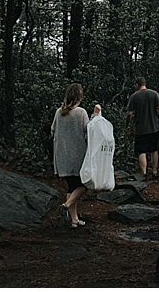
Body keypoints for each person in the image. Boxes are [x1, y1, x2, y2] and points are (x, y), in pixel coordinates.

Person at [51, 83, 101, 228]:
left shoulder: (58, 112)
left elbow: (53, 130)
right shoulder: (81, 112)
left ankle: (74, 220)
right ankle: (66, 206)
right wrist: (96, 116)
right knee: (84, 185)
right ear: (79, 96)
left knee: (72, 187)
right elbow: (89, 131)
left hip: (62, 155)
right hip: (78, 155)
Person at [125, 76, 159, 179]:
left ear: (136, 85)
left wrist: (127, 125)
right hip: (154, 127)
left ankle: (143, 173)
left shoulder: (134, 96)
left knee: (142, 151)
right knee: (154, 149)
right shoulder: (154, 94)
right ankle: (155, 172)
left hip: (140, 129)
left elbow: (129, 113)